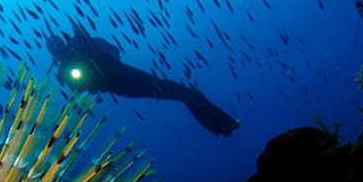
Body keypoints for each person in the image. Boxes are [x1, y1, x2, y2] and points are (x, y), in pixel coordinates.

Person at [46, 25, 240, 136]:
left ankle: (220, 122)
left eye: (57, 43)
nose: (58, 47)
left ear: (62, 41)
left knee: (171, 90)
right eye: (54, 47)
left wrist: (101, 55)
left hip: (124, 73)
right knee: (169, 92)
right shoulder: (63, 69)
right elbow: (80, 88)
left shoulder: (83, 45)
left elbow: (111, 49)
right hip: (117, 86)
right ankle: (219, 123)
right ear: (53, 52)